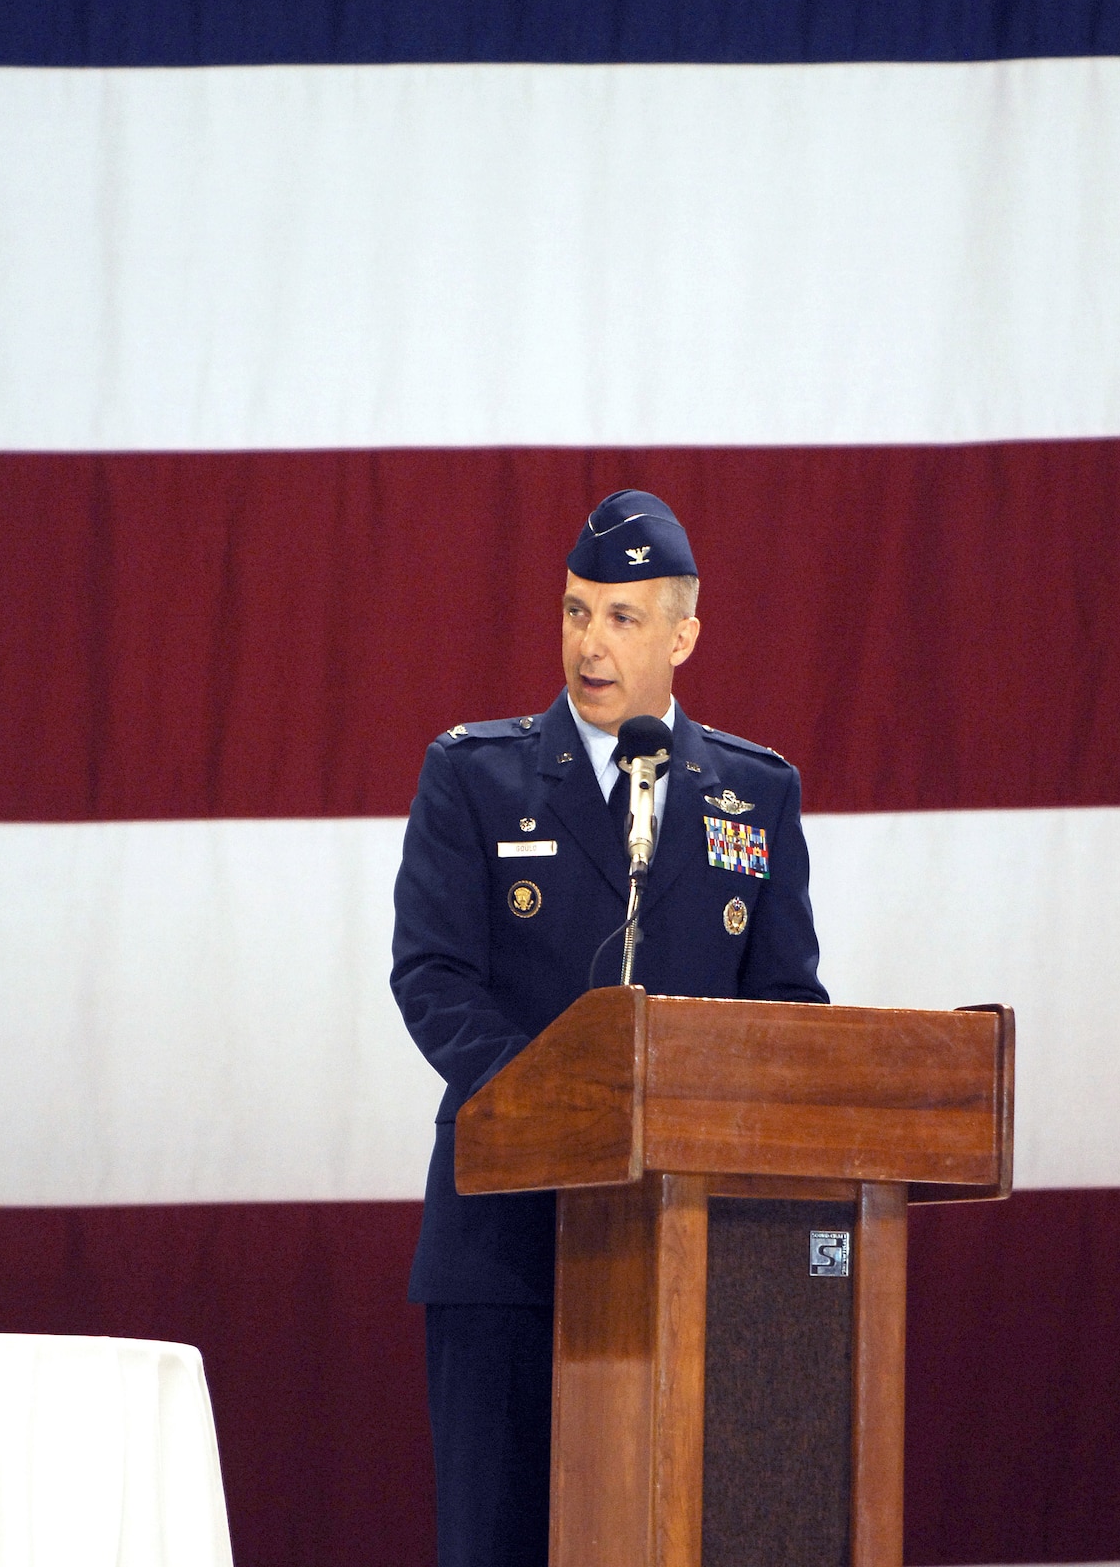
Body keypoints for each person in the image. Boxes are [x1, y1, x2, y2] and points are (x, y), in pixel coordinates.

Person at [390, 489, 827, 1567]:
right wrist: (569, 1107)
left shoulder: (753, 796)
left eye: (623, 617)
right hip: (506, 1243)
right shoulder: (473, 776)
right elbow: (433, 976)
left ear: (681, 634)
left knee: (674, 1532)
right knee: (499, 1539)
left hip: (692, 1248)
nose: (589, 641)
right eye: (576, 609)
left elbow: (784, 1009)